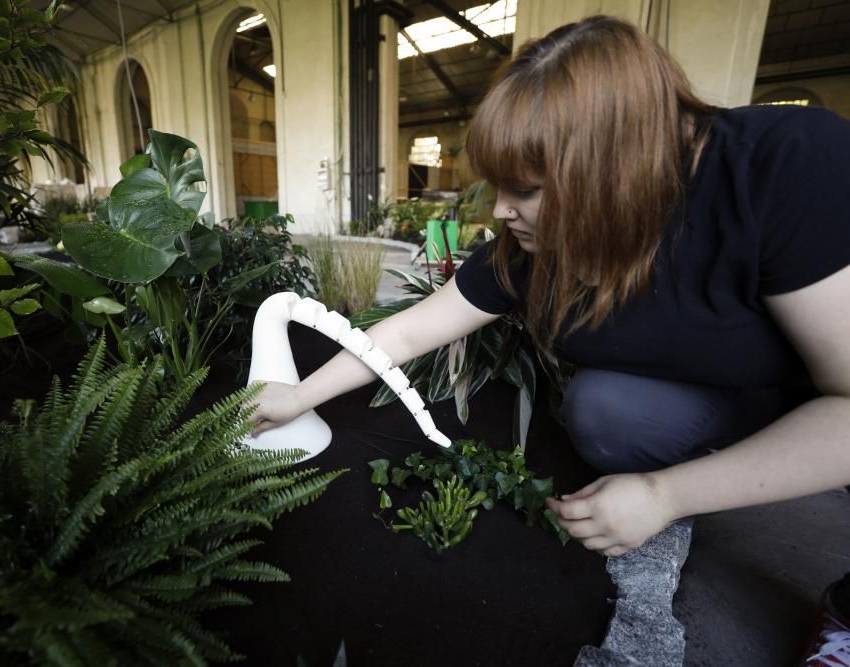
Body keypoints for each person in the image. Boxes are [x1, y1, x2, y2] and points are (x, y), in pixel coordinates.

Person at [251, 15, 850, 663]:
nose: (501, 211)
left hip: (820, 396)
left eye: (526, 190)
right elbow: (415, 326)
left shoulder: (787, 166)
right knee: (603, 410)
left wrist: (665, 495)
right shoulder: (535, 246)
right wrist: (299, 394)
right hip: (729, 394)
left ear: (610, 174)